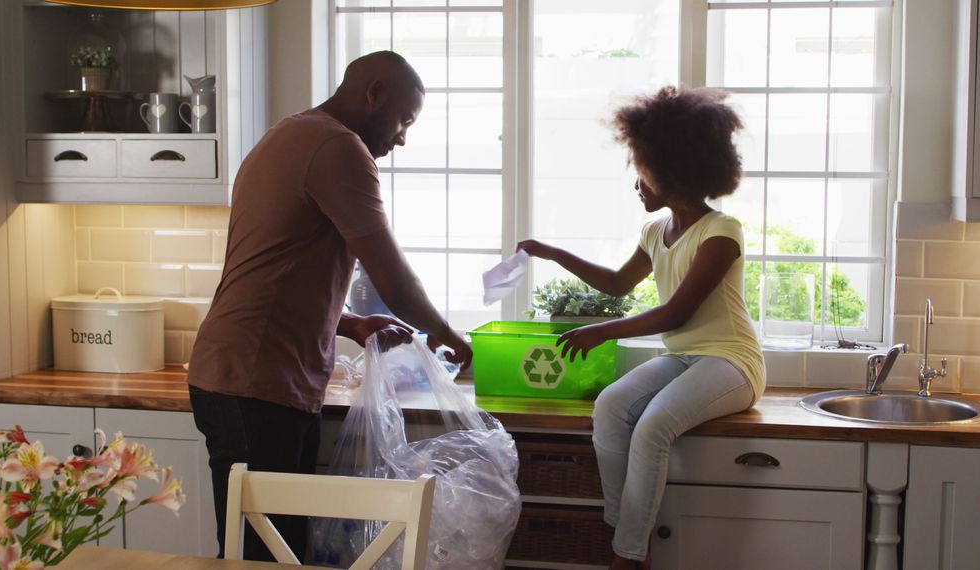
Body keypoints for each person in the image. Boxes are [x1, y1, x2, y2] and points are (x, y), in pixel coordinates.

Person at [186, 50, 473, 561]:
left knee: (280, 553)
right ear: (375, 94)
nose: (403, 137)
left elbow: (274, 272)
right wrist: (448, 333)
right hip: (254, 383)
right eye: (404, 120)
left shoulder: (289, 134)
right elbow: (395, 278)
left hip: (255, 378)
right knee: (263, 557)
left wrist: (351, 323)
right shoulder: (339, 147)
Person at [517, 86, 765, 570]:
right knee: (610, 407)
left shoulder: (722, 231)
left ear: (672, 170)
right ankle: (626, 532)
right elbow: (615, 283)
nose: (637, 183)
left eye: (642, 172)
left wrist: (601, 332)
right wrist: (552, 253)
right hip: (682, 358)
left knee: (653, 427)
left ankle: (626, 556)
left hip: (732, 361)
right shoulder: (655, 231)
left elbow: (677, 313)